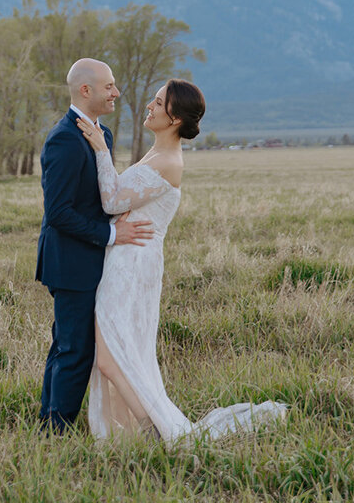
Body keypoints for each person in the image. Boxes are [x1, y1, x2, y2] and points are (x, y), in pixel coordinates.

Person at [76, 78, 287, 442]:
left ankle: (153, 430)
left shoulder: (168, 162)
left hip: (132, 265)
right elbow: (121, 205)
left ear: (174, 117)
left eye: (158, 103)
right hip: (127, 258)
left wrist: (99, 150)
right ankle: (150, 427)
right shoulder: (157, 155)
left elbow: (111, 201)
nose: (150, 107)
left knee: (110, 357)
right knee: (114, 353)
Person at [36, 58, 155, 434]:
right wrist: (111, 234)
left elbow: (96, 196)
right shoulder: (65, 139)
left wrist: (111, 221)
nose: (116, 93)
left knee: (67, 346)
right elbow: (58, 213)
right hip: (70, 262)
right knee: (75, 350)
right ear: (85, 90)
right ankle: (56, 432)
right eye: (109, 87)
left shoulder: (98, 132)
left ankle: (49, 423)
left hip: (88, 260)